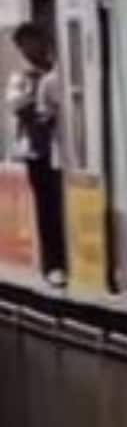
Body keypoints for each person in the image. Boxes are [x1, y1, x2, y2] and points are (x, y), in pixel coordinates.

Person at [6, 22, 66, 287]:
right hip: (37, 152)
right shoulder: (22, 77)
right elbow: (16, 105)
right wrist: (41, 95)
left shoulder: (60, 71)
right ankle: (53, 264)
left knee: (63, 206)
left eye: (34, 41)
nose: (30, 48)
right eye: (24, 44)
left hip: (64, 152)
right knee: (47, 209)